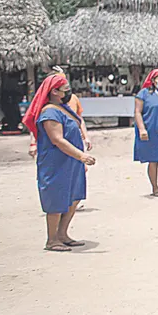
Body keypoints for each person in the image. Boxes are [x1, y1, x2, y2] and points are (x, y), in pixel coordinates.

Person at [22, 74, 96, 251]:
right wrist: (81, 156)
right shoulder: (49, 112)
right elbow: (57, 139)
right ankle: (52, 240)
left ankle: (62, 234)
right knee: (56, 200)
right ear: (54, 91)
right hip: (56, 162)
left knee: (74, 196)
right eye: (65, 89)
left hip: (71, 161)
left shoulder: (63, 108)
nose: (68, 92)